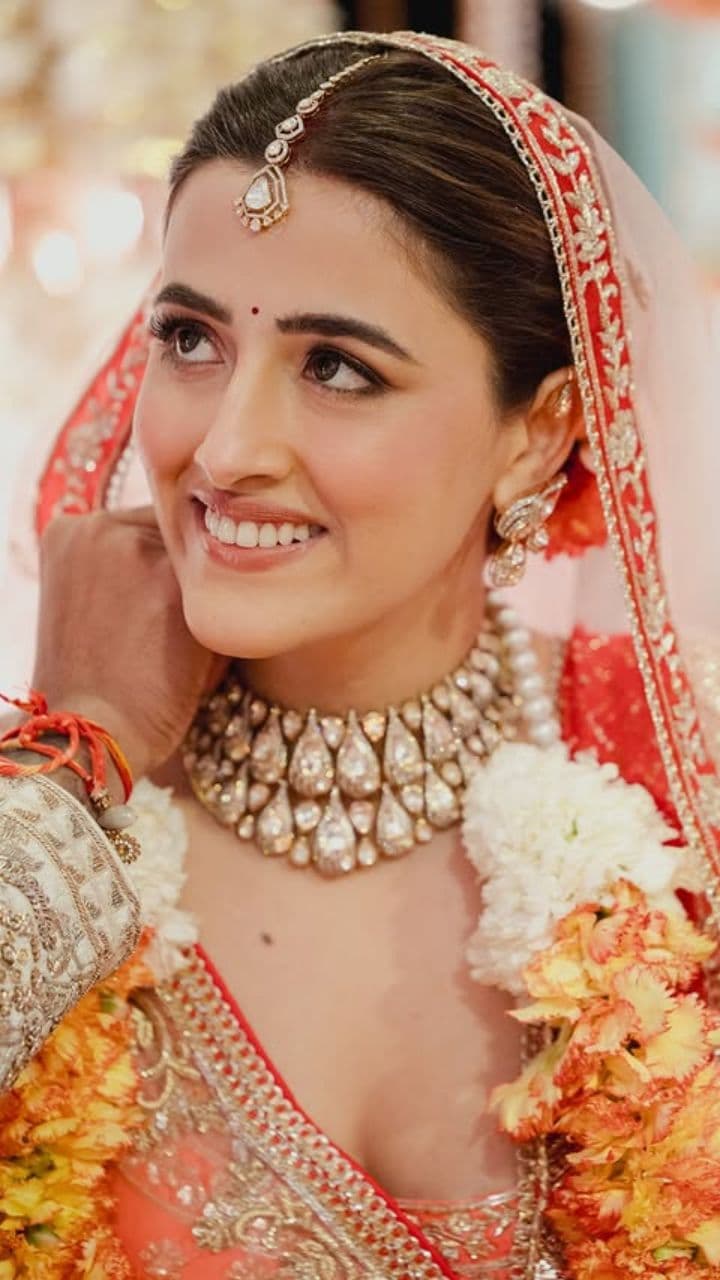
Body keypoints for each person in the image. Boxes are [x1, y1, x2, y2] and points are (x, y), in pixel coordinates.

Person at [1, 28, 719, 1280]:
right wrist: (85, 751)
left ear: (539, 433)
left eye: (335, 366)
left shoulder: (676, 770)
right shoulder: (50, 813)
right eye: (190, 339)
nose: (226, 451)